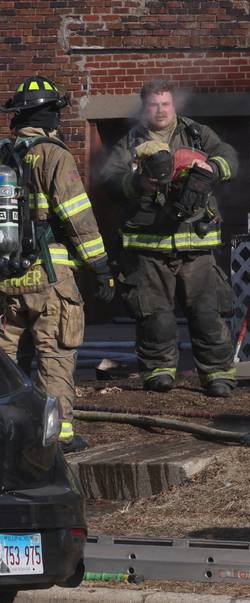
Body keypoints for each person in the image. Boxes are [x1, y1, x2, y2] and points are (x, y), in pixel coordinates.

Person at [0, 76, 115, 453]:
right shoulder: (54, 154)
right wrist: (100, 268)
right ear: (51, 116)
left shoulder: (4, 154)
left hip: (6, 280)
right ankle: (58, 437)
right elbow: (77, 217)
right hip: (50, 278)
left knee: (6, 361)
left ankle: (8, 433)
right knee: (55, 354)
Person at [103, 79, 238, 398]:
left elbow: (227, 156)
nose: (160, 110)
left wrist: (210, 171)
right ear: (144, 107)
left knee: (207, 312)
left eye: (165, 104)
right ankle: (158, 371)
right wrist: (137, 184)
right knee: (155, 314)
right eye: (153, 104)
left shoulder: (196, 134)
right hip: (148, 247)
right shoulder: (129, 142)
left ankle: (217, 374)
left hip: (196, 242)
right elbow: (109, 180)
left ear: (174, 106)